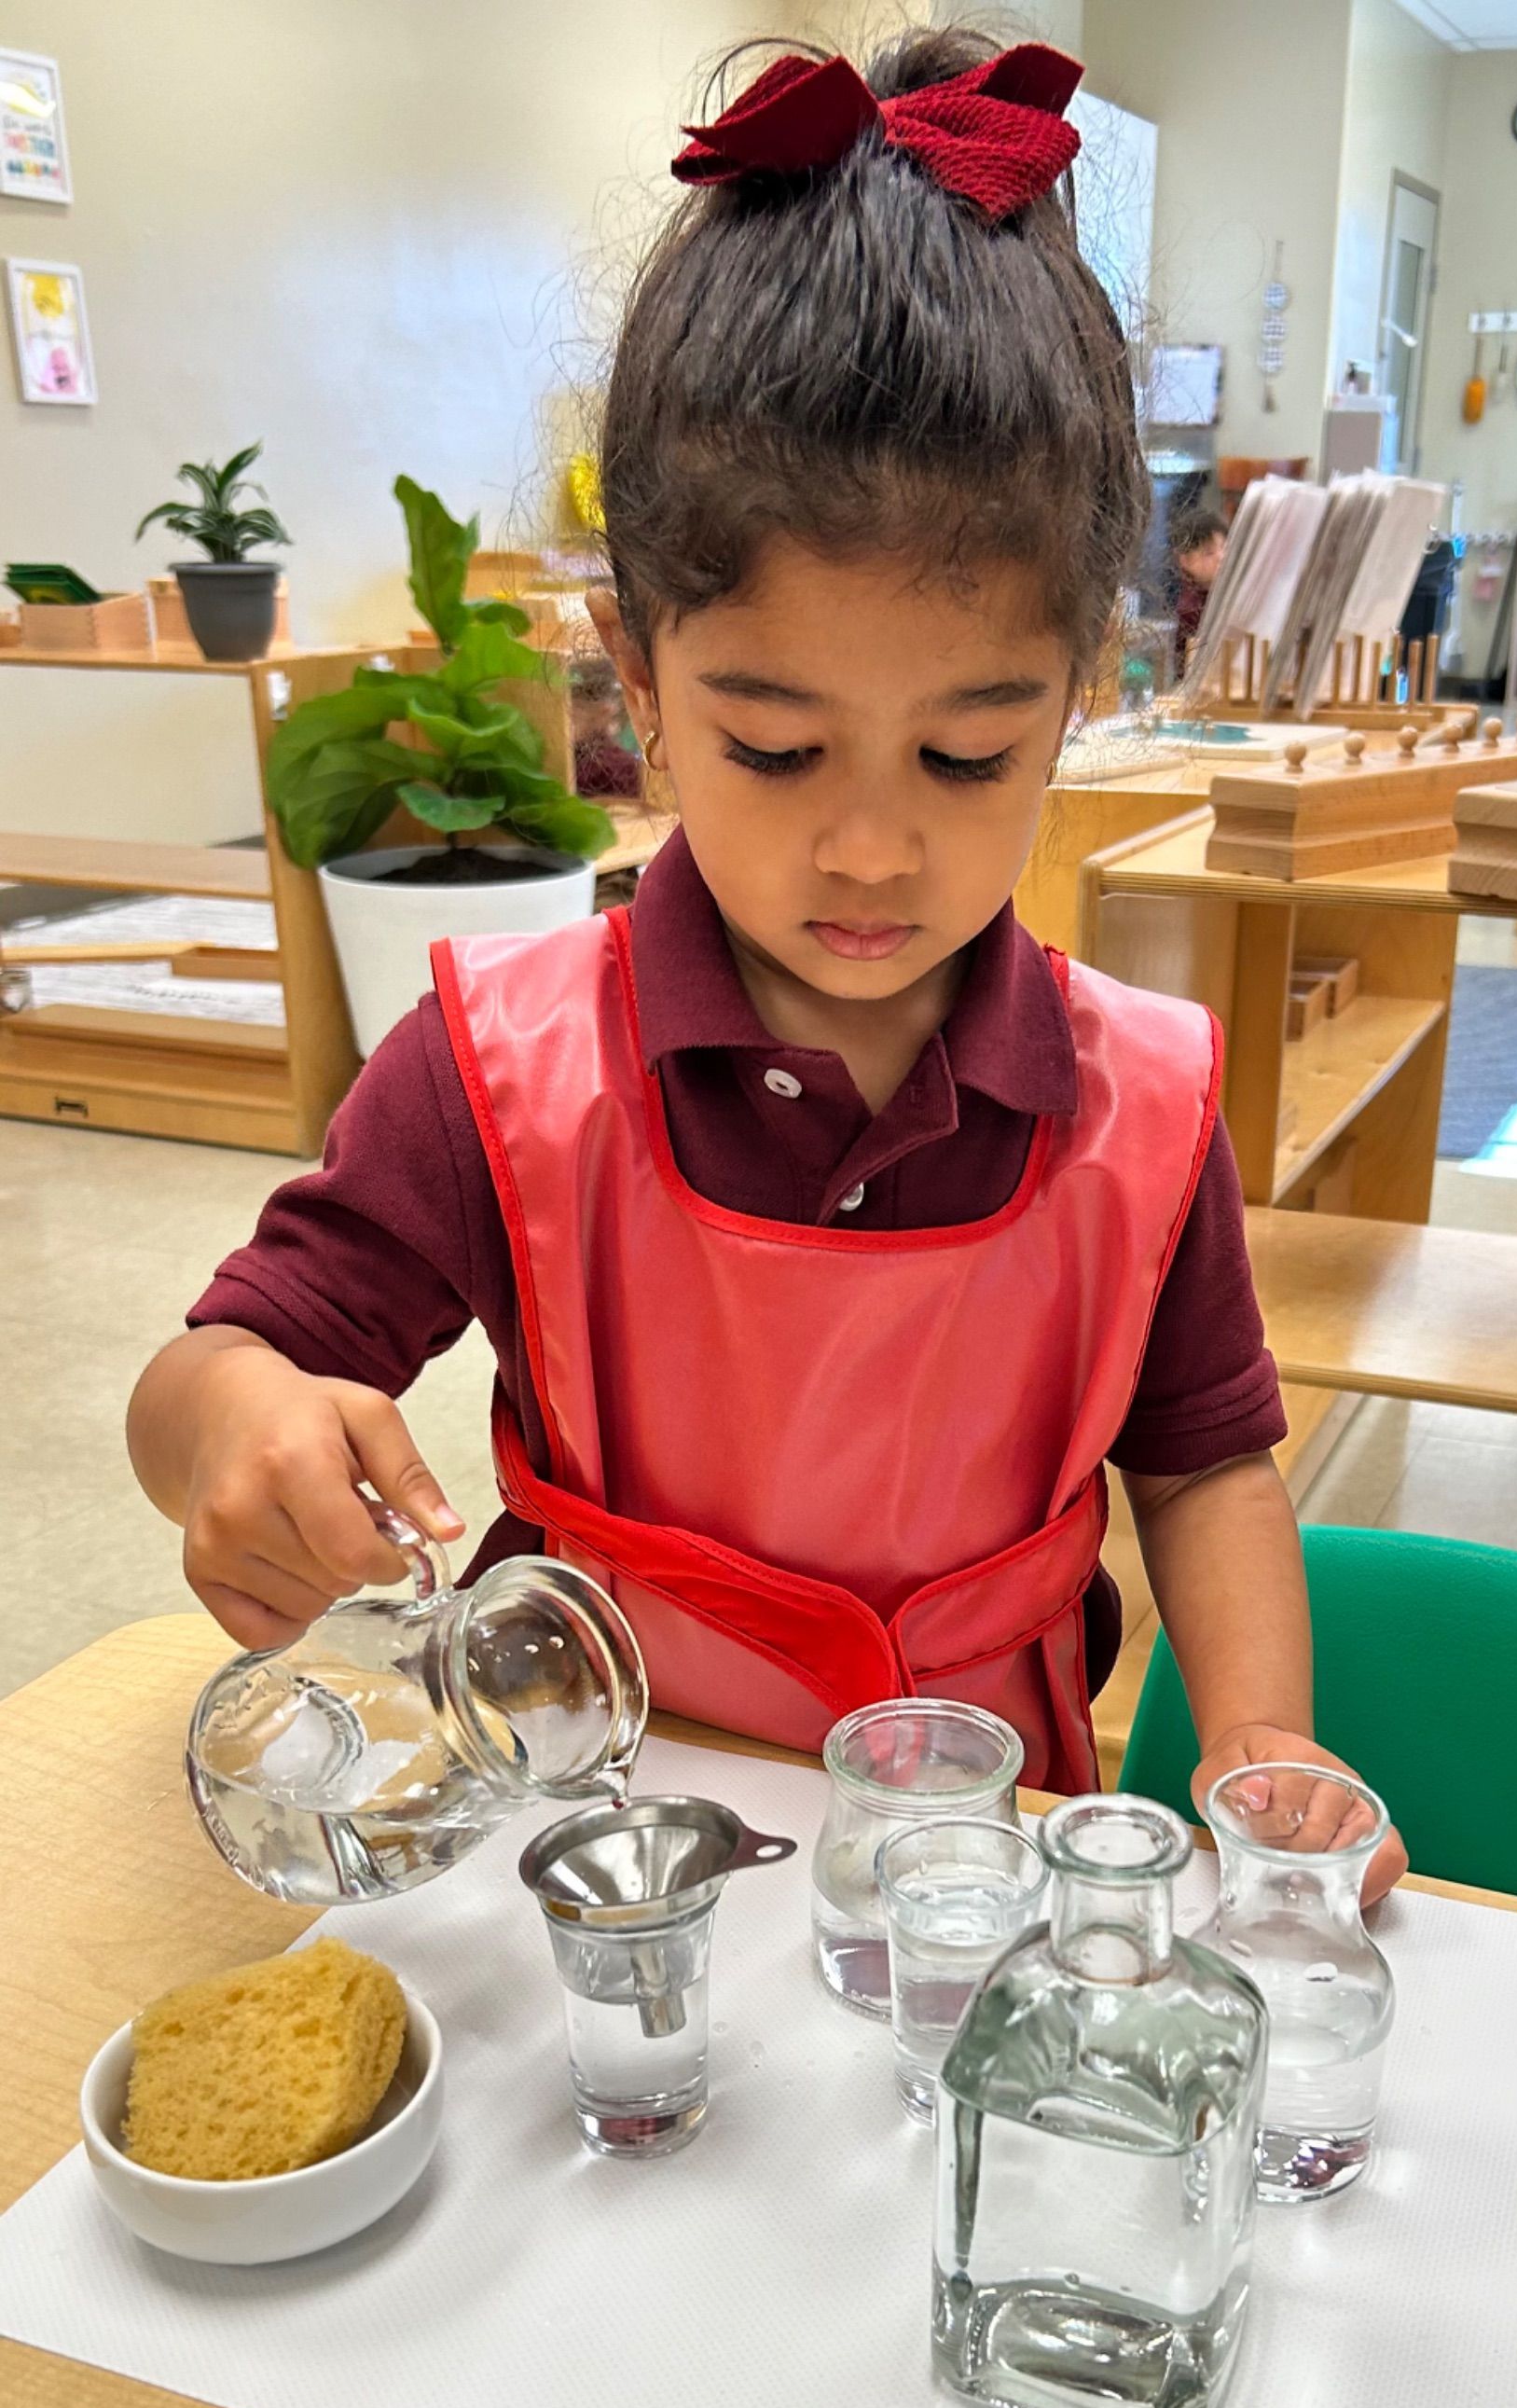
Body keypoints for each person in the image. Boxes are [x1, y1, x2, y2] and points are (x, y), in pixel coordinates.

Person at [127, 30, 1403, 1895]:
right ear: (635, 685)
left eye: (968, 756)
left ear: (1086, 699)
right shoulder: (507, 1069)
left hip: (970, 1858)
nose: (873, 849)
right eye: (776, 747)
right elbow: (223, 1360)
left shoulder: (1141, 1107)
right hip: (598, 1852)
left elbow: (1202, 1465)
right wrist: (230, 1435)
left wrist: (1269, 1736)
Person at [1171, 505, 1227, 675]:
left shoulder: (1223, 594)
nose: (1221, 557)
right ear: (1185, 561)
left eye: (1224, 547)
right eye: (1209, 553)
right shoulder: (1190, 609)